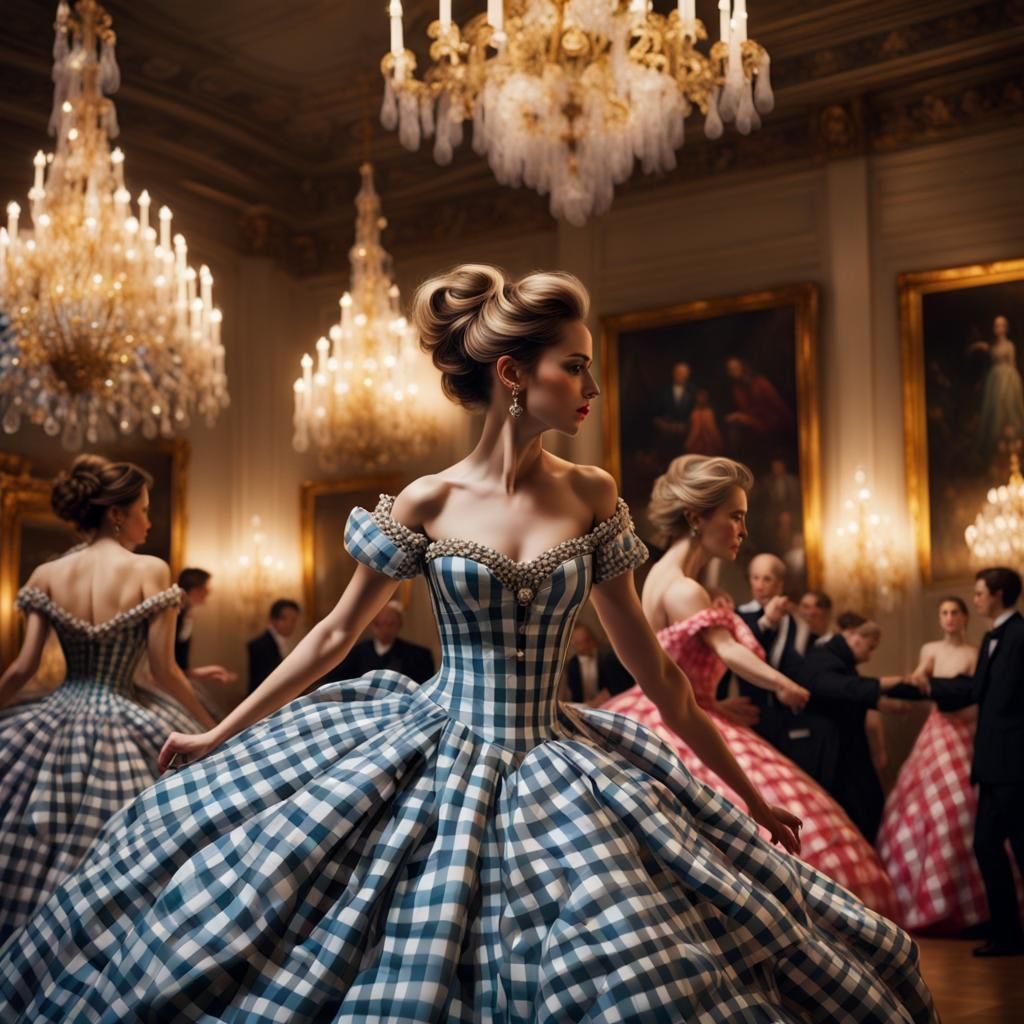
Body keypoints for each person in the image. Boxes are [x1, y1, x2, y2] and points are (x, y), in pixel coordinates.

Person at [0, 267, 936, 1022]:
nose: (592, 389)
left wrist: (746, 795)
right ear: (514, 373)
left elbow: (657, 673)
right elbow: (333, 634)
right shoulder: (427, 500)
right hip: (432, 746)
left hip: (559, 761)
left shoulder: (592, 495)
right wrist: (219, 732)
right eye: (575, 367)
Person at [605, 456, 900, 918]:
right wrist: (786, 685)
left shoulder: (669, 578)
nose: (743, 530)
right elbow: (727, 651)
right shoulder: (683, 588)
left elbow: (675, 666)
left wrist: (714, 702)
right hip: (674, 722)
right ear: (696, 518)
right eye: (735, 516)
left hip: (675, 710)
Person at [0, 455, 214, 944]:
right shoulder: (150, 569)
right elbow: (163, 671)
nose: (148, 521)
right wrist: (209, 725)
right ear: (117, 514)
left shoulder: (47, 573)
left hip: (56, 716)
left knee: (35, 836)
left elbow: (21, 668)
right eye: (143, 510)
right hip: (124, 714)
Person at [877, 596, 1021, 934]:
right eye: (944, 612)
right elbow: (919, 682)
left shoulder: (975, 652)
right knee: (932, 806)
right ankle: (934, 896)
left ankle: (980, 907)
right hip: (937, 732)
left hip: (967, 732)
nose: (949, 618)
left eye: (955, 612)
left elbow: (976, 695)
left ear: (965, 617)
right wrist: (918, 677)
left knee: (967, 809)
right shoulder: (929, 649)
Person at [927, 568, 1024, 956]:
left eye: (980, 593)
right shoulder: (991, 637)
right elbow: (975, 690)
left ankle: (1009, 935)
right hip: (992, 763)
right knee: (986, 845)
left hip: (1015, 762)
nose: (976, 598)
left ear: (998, 594)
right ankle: (1008, 934)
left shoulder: (1019, 634)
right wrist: (925, 687)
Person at [796, 613, 927, 843]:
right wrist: (897, 680)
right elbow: (844, 688)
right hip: (831, 751)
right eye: (870, 647)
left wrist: (881, 703)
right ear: (854, 638)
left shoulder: (839, 661)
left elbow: (849, 695)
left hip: (846, 747)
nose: (869, 655)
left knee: (869, 807)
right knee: (857, 811)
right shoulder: (822, 658)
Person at [325, 600, 435, 684]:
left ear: (400, 625)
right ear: (371, 625)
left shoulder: (419, 655)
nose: (384, 629)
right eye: (378, 624)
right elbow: (336, 681)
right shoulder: (356, 653)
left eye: (390, 624)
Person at [174, 567, 237, 689]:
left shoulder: (185, 614)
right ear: (195, 589)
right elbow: (164, 663)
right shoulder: (175, 614)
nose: (209, 592)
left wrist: (204, 673)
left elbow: (179, 664)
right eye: (207, 588)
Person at [560, 623, 632, 706]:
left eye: (586, 641)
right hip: (586, 707)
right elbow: (576, 695)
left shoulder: (608, 658)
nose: (583, 646)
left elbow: (617, 687)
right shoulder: (572, 665)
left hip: (610, 703)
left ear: (593, 639)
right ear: (573, 644)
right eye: (579, 643)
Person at [246, 599, 301, 694]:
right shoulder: (261, 645)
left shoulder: (284, 641)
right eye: (289, 620)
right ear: (274, 620)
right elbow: (264, 680)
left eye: (294, 620)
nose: (292, 624)